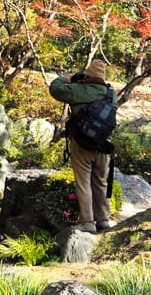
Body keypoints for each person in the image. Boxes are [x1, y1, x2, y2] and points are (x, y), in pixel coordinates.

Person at [49, 59, 117, 233]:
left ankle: (87, 223)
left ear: (86, 75)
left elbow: (55, 89)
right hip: (104, 145)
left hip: (81, 145)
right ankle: (103, 220)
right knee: (100, 183)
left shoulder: (78, 90)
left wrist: (67, 77)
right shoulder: (111, 95)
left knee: (83, 183)